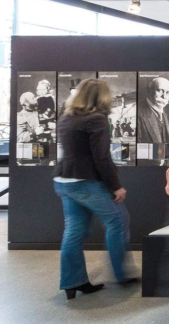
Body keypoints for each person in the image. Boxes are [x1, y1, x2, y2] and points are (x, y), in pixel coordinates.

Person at [54, 79, 138, 300]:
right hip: (85, 182)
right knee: (118, 221)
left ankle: (73, 282)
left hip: (64, 180)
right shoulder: (96, 119)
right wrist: (116, 186)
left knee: (74, 231)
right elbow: (101, 157)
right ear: (101, 97)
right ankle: (121, 275)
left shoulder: (66, 117)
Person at [137, 77, 169, 145]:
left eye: (167, 92)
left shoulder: (165, 116)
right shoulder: (138, 113)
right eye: (160, 90)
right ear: (149, 91)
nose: (164, 96)